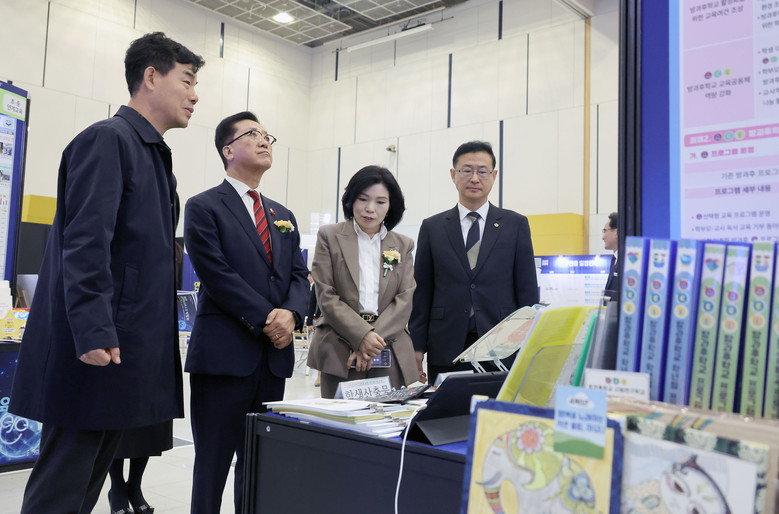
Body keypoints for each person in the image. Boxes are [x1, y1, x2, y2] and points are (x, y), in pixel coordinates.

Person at [8, 32, 204, 514]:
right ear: (151, 76)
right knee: (63, 484)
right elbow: (85, 243)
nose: (195, 95)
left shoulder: (154, 156)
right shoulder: (108, 140)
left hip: (123, 349)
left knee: (87, 483)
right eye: (187, 81)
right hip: (94, 346)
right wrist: (94, 328)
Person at [184, 111, 309, 514]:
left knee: (258, 463)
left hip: (272, 359)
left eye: (267, 135)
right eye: (252, 134)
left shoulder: (282, 215)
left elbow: (299, 275)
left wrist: (291, 314)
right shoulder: (204, 206)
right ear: (228, 149)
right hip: (224, 355)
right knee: (213, 463)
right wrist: (269, 318)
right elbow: (216, 274)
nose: (264, 140)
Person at [409, 141, 539, 385]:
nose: (475, 178)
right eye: (467, 170)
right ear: (453, 175)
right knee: (446, 407)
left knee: (496, 405)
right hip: (445, 343)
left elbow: (527, 290)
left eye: (482, 171)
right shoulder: (433, 227)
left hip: (501, 345)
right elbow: (422, 291)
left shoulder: (515, 224)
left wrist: (528, 342)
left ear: (494, 175)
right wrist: (416, 346)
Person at [307, 166, 421, 398]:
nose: (370, 208)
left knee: (388, 418)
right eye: (363, 199)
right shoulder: (329, 236)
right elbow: (326, 295)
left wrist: (371, 343)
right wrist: (361, 336)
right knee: (340, 417)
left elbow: (404, 299)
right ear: (351, 200)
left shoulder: (403, 245)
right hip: (340, 347)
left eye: (380, 202)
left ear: (391, 206)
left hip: (390, 348)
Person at [602, 211, 619, 300]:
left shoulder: (628, 261)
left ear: (617, 233)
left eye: (605, 231)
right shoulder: (614, 259)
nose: (603, 237)